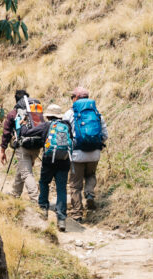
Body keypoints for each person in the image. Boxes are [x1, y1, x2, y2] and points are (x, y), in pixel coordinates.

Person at [63, 86, 107, 217]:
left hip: (77, 154)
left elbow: (64, 135)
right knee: (91, 175)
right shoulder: (97, 113)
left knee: (75, 184)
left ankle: (77, 212)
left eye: (72, 97)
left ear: (75, 98)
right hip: (94, 154)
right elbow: (105, 135)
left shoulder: (69, 114)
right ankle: (89, 194)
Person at [0, 89, 45, 201]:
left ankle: (36, 199)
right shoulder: (35, 111)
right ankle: (15, 193)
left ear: (16, 100)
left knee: (26, 173)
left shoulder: (13, 113)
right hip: (37, 145)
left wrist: (2, 150)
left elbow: (6, 132)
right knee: (23, 168)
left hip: (23, 145)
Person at [37, 103, 72, 232]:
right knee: (61, 188)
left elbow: (30, 133)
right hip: (64, 161)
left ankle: (43, 210)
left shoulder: (46, 125)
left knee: (44, 182)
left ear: (49, 116)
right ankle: (61, 219)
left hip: (48, 161)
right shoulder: (67, 125)